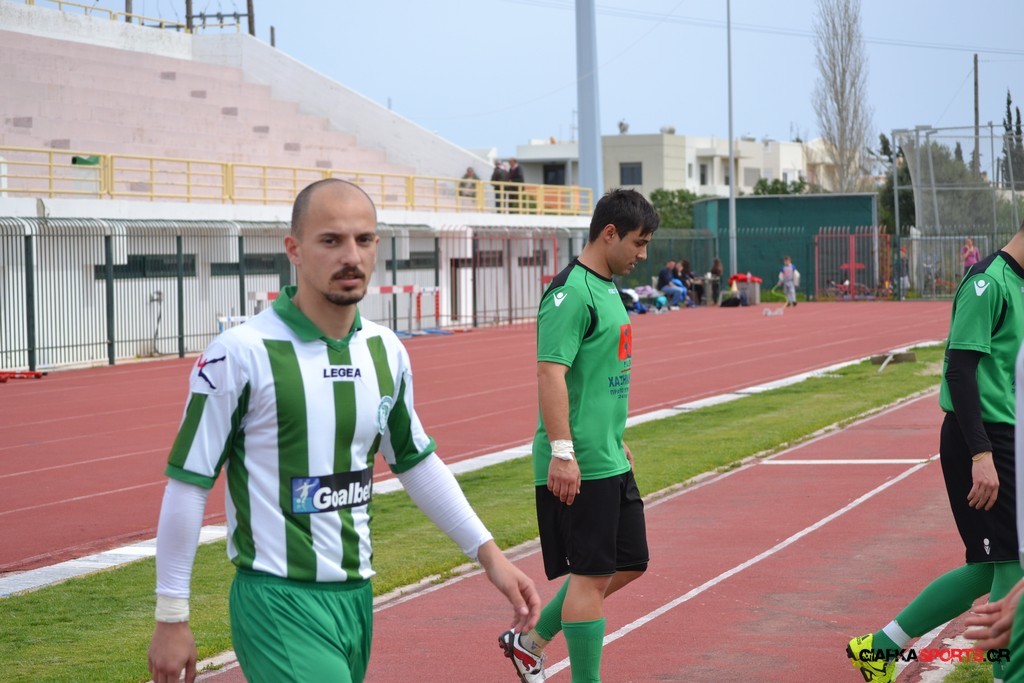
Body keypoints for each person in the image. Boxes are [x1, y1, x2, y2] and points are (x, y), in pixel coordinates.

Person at [147, 179, 540, 683]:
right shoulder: (239, 353)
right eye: (331, 240)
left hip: (356, 599)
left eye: (364, 239)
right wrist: (172, 615)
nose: (351, 256)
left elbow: (416, 464)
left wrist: (491, 556)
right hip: (278, 601)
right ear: (294, 249)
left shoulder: (386, 350)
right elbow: (189, 483)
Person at [847, 221, 1024, 683]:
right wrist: (981, 455)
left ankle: (879, 648)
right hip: (981, 439)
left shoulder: (1018, 284)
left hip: (1008, 438)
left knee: (987, 568)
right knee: (1011, 565)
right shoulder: (988, 283)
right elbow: (960, 372)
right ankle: (1008, 676)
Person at [498, 188, 658, 682]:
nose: (643, 254)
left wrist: (614, 436)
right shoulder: (570, 294)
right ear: (609, 233)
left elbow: (599, 376)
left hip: (608, 455)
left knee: (630, 562)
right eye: (638, 242)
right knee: (590, 578)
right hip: (580, 463)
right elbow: (550, 373)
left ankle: (529, 644)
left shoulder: (606, 287)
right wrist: (563, 453)